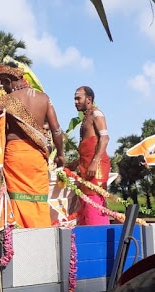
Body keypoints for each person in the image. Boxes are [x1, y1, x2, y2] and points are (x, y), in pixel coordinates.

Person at [0, 63, 65, 228]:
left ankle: (14, 238)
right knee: (38, 198)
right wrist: (60, 154)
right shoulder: (43, 98)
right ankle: (38, 234)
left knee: (16, 198)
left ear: (9, 80)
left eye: (3, 84)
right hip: (37, 158)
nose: (3, 88)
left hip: (15, 156)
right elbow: (56, 130)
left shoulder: (2, 102)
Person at [68, 86, 111, 225]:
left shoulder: (96, 114)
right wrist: (73, 165)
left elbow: (104, 138)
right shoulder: (86, 117)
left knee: (95, 202)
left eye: (78, 98)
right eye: (74, 98)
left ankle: (99, 238)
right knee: (86, 204)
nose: (75, 101)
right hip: (86, 166)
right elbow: (87, 148)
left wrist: (94, 162)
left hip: (96, 166)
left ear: (89, 99)